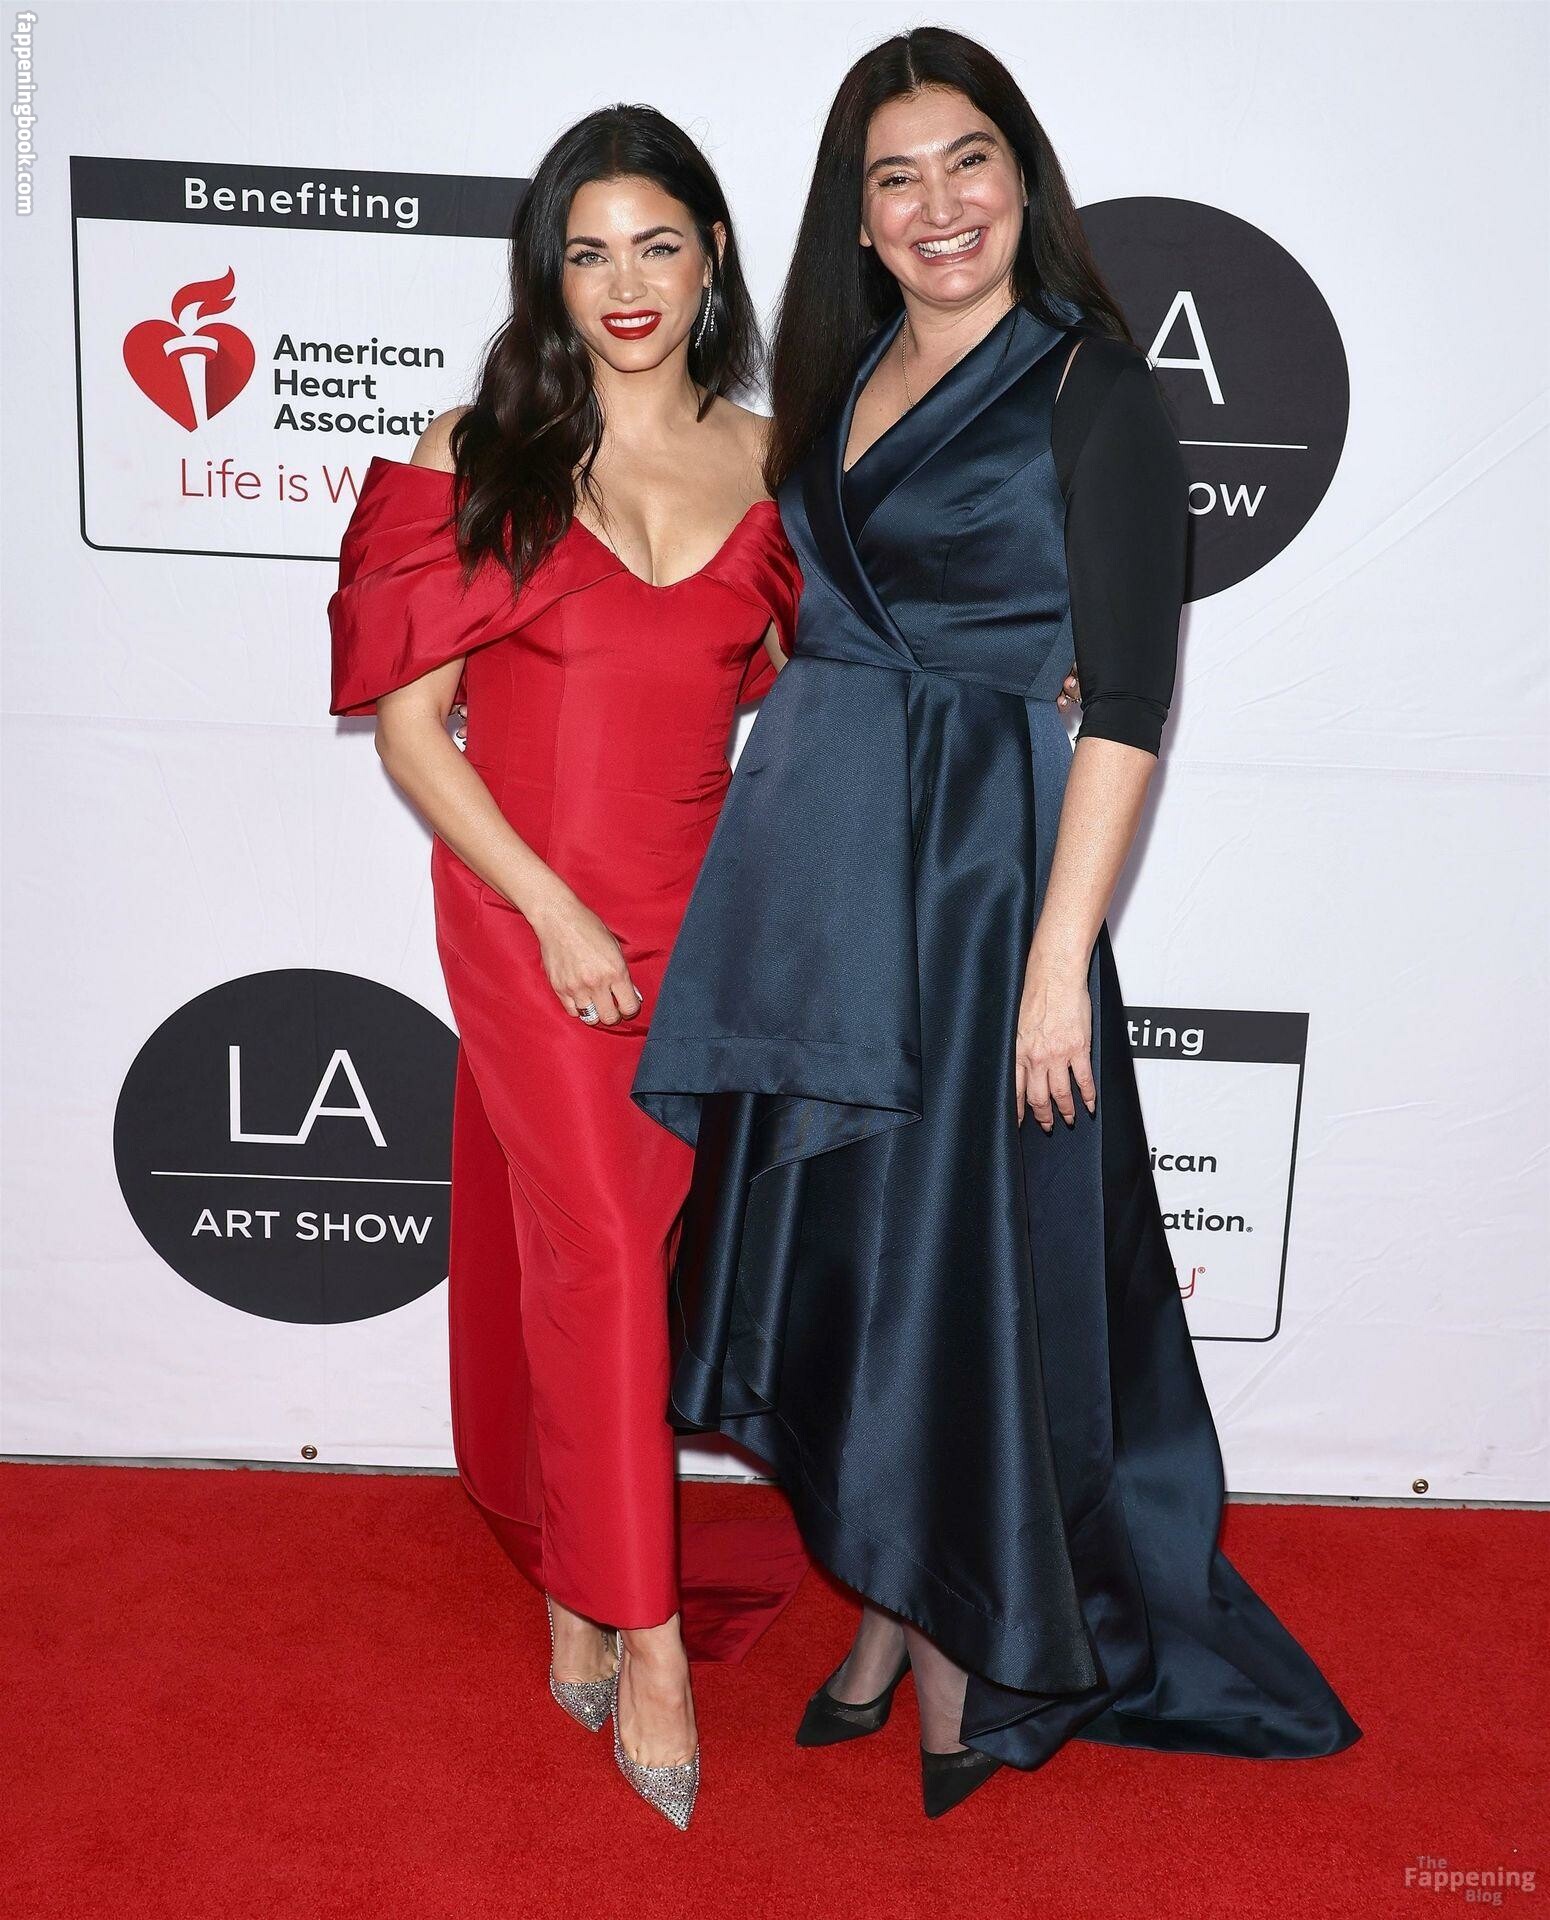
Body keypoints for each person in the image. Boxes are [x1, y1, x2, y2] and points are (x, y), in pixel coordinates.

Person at [633, 27, 1362, 1819]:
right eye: (895, 177)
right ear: (857, 217)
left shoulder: (1091, 388)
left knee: (951, 1269)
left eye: (967, 160)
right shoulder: (843, 378)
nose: (936, 202)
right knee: (854, 1255)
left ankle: (963, 1629)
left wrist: (1054, 967)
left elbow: (1127, 701)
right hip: (824, 877)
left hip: (980, 893)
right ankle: (889, 1600)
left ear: (1020, 178)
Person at [327, 104, 810, 1830]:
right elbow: (413, 734)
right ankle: (645, 1633)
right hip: (528, 911)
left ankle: (566, 1564)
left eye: (656, 244)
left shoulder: (777, 460)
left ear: (711, 258)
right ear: (548, 272)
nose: (624, 282)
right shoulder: (479, 451)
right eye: (587, 250)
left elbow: (827, 687)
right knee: (605, 1248)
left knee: (611, 1259)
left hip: (705, 922)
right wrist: (550, 910)